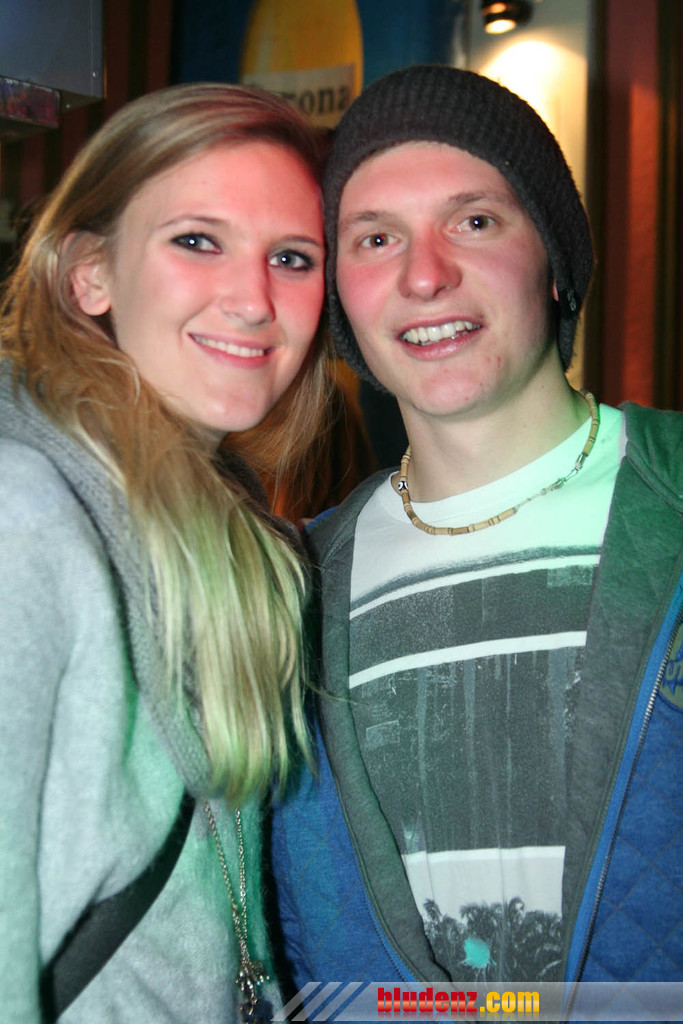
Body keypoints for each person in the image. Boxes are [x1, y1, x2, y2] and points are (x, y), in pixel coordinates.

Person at [271, 64, 683, 996]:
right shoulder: (284, 589)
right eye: (376, 238)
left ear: (554, 260)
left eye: (475, 221)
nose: (424, 275)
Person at [0, 82, 329, 1022]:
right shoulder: (23, 517)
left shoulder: (232, 544)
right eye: (196, 241)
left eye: (291, 258)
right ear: (89, 275)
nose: (254, 299)